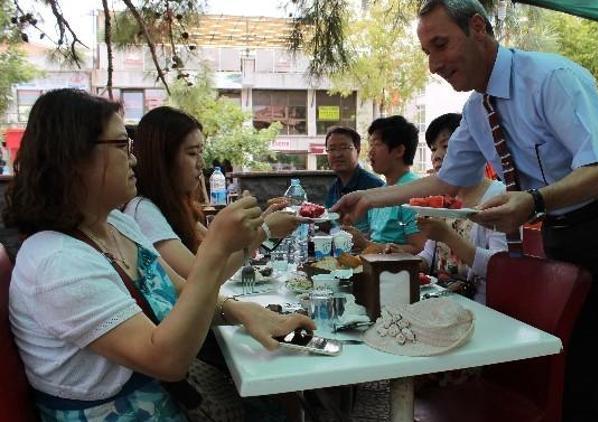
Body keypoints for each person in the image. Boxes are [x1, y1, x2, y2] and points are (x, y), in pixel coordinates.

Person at [332, 1, 598, 420]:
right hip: (565, 233)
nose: (434, 64)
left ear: (478, 28)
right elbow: (446, 180)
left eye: (440, 45)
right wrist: (369, 197)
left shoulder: (551, 78)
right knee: (570, 373)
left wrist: (534, 201)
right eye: (427, 53)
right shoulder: (477, 109)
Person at [3, 89, 314, 420]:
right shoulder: (57, 262)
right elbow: (167, 361)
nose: (133, 159)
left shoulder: (117, 222)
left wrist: (243, 312)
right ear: (74, 157)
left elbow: (180, 289)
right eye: (122, 146)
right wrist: (221, 247)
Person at [123, 106, 301, 283]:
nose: (201, 163)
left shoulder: (175, 209)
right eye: (192, 153)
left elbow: (224, 257)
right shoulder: (143, 211)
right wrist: (264, 231)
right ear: (162, 160)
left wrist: (260, 224)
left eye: (201, 152)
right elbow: (200, 280)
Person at [416, 113, 507, 304]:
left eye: (446, 146)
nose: (436, 156)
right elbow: (429, 255)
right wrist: (401, 264)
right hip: (439, 300)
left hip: (483, 307)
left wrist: (448, 236)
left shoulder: (499, 197)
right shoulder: (443, 199)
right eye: (433, 149)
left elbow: (501, 268)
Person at [343, 116, 427, 255]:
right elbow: (375, 239)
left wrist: (366, 244)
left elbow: (419, 249)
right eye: (370, 145)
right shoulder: (379, 193)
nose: (370, 152)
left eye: (377, 144)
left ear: (399, 151)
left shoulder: (414, 192)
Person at [323, 126, 384, 234]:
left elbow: (381, 233)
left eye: (344, 148)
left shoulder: (375, 186)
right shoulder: (334, 187)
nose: (337, 154)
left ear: (358, 150)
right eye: (332, 149)